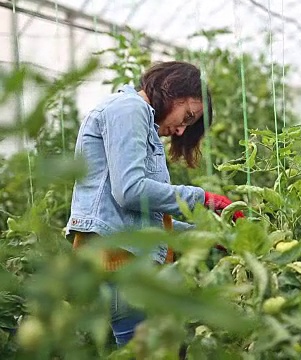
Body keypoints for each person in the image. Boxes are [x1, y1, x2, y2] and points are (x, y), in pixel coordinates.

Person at [65, 61, 243, 347]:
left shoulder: (138, 120)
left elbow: (145, 218)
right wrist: (203, 199)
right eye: (187, 116)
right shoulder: (129, 109)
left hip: (128, 254)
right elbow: (131, 191)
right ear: (171, 90)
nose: (183, 131)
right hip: (120, 257)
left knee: (159, 348)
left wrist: (211, 234)